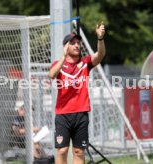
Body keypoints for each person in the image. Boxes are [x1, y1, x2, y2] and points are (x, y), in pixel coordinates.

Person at [49, 22, 105, 164]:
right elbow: (51, 74)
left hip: (81, 114)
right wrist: (63, 56)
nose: (77, 45)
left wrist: (100, 38)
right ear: (66, 46)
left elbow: (100, 55)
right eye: (72, 43)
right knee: (62, 150)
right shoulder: (58, 64)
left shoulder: (85, 62)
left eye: (78, 43)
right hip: (63, 114)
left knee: (79, 152)